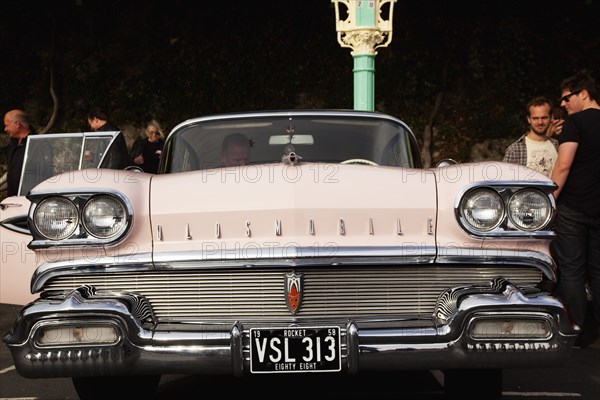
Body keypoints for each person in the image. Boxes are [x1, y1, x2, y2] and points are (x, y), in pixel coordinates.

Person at [550, 69, 600, 346]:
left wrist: (549, 201)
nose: (563, 105)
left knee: (572, 271)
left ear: (584, 94)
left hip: (573, 208)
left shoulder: (576, 123)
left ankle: (577, 330)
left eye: (567, 98)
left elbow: (563, 165)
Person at [503, 96, 558, 177]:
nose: (540, 122)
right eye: (535, 118)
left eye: (544, 117)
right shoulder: (515, 150)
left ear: (551, 118)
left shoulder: (557, 145)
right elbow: (505, 181)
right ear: (529, 119)